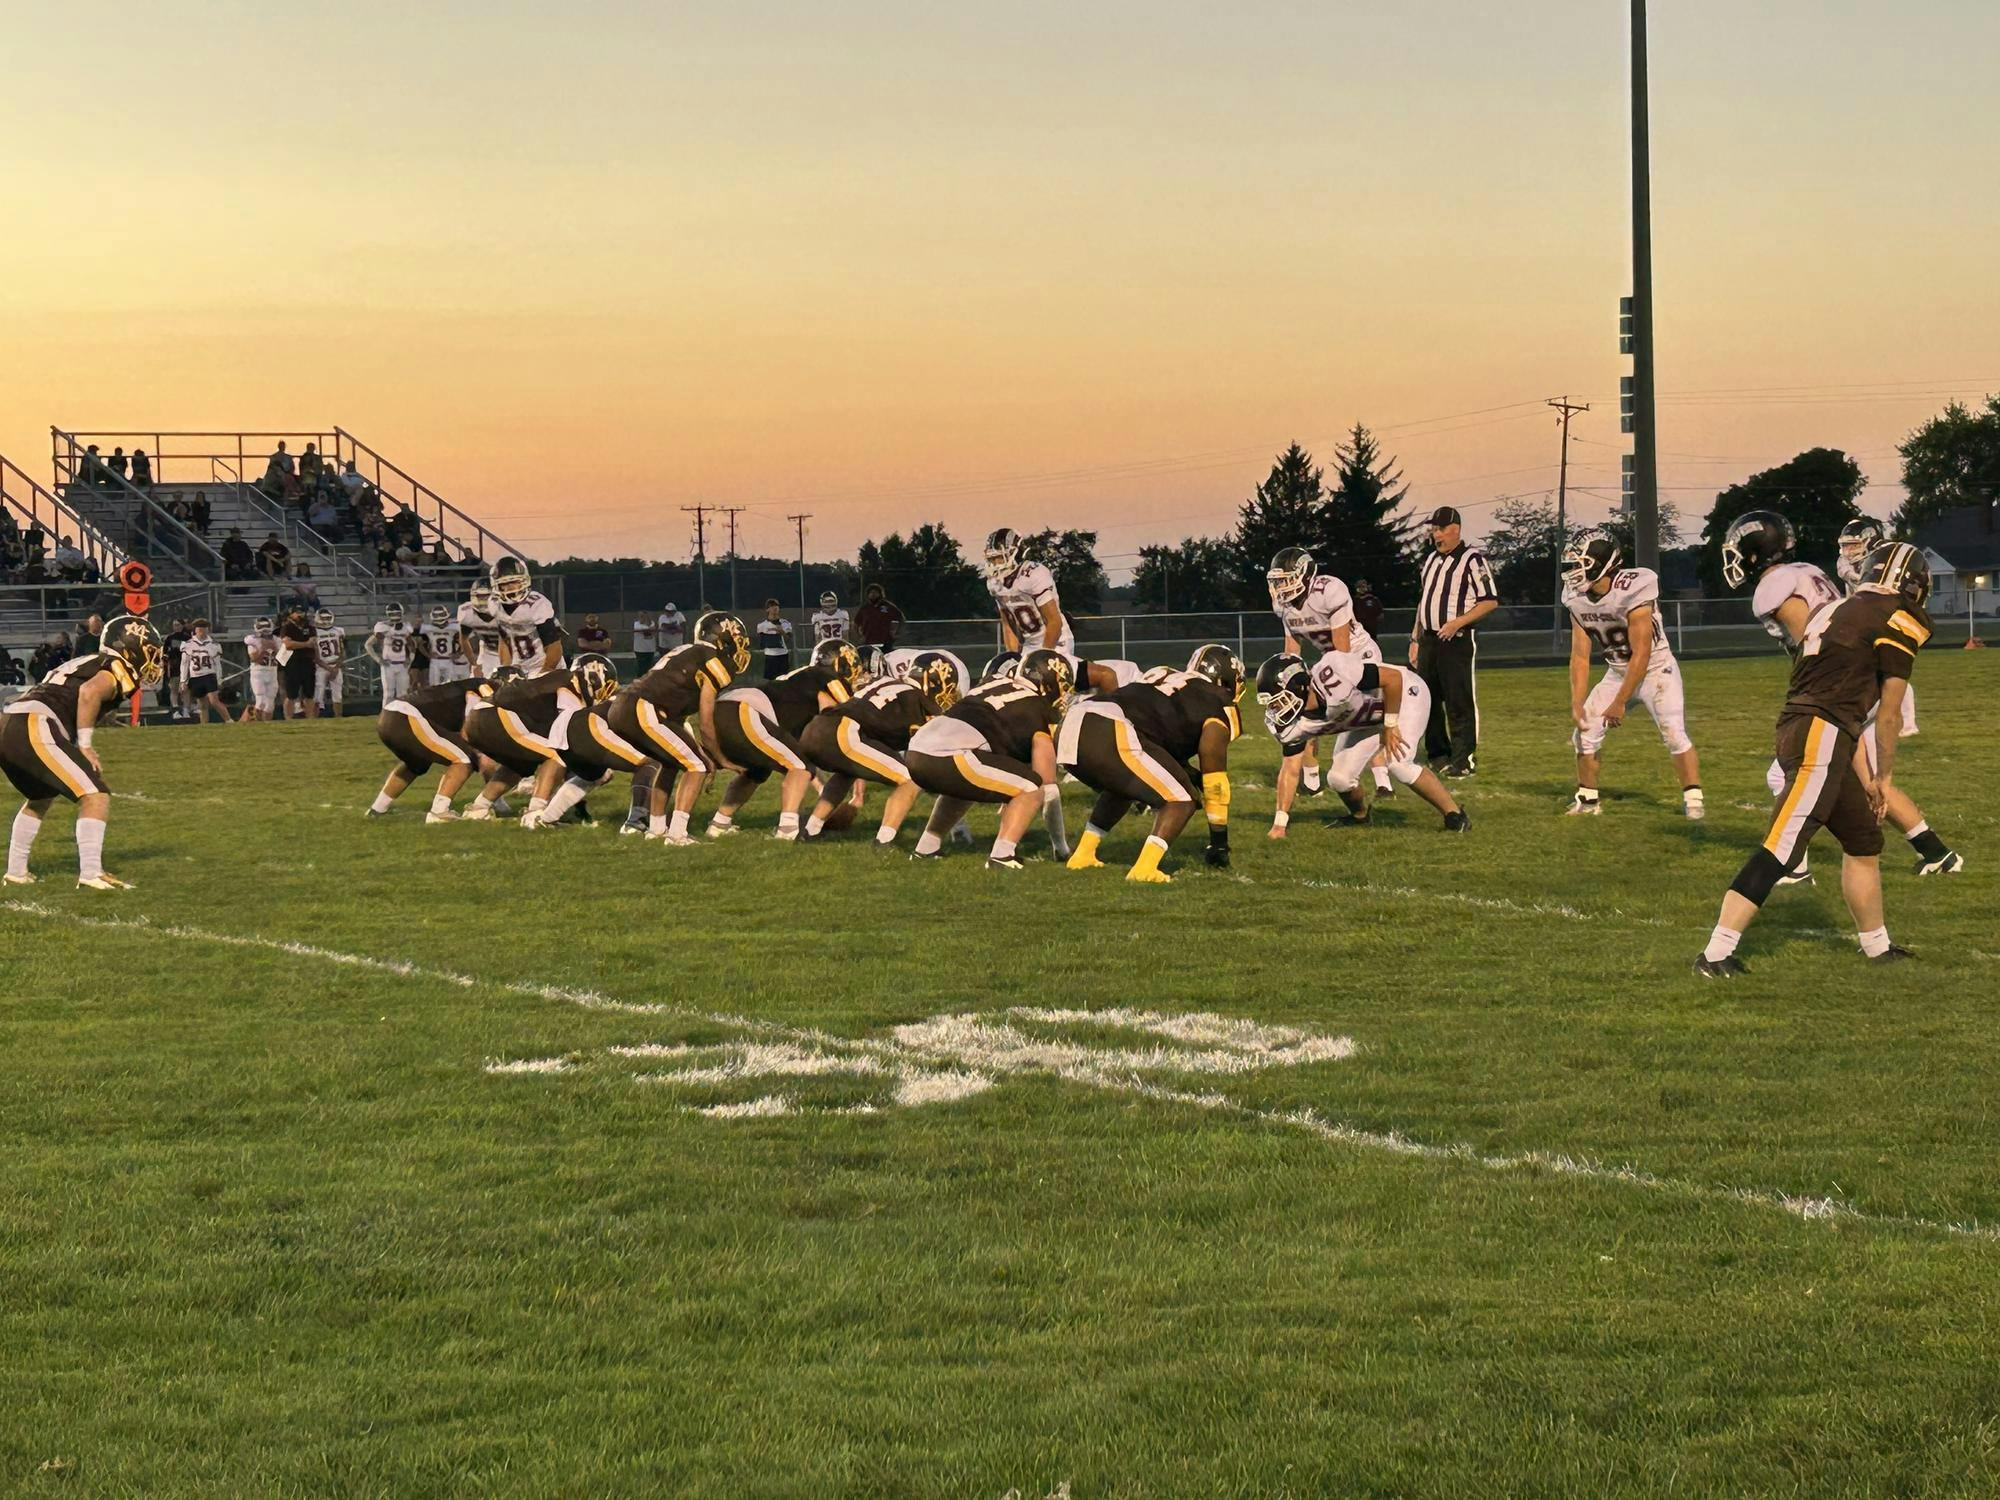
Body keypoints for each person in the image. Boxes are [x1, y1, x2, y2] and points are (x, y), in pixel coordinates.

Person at [1697, 543, 1935, 976]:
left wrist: (1864, 775)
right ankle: (1714, 954)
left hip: (1812, 726)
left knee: (1863, 840)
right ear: (1913, 584)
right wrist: (1884, 777)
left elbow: (1840, 697)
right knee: (1782, 846)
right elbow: (1888, 713)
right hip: (1820, 733)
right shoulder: (1898, 615)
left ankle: (1877, 946)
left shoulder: (1836, 609)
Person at [1726, 510, 1961, 880]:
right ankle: (1937, 852)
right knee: (1866, 779)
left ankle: (1792, 865)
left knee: (1786, 774)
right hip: (1863, 680)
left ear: (1756, 551)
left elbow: (1813, 643)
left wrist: (1812, 693)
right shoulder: (1805, 570)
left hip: (1846, 686)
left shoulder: (1774, 586)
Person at [2, 614, 164, 890]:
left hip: (11, 722)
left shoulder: (88, 661)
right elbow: (89, 693)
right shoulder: (114, 667)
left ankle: (16, 872)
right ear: (130, 647)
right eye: (150, 652)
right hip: (34, 723)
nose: (154, 660)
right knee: (95, 795)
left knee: (40, 796)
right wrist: (86, 747)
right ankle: (91, 873)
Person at [1058, 646, 1243, 884]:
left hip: (1074, 722)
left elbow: (1156, 730)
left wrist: (1189, 773)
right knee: (1182, 799)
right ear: (1227, 679)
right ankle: (1145, 868)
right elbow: (1212, 763)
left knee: (1124, 787)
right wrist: (1219, 843)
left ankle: (1083, 854)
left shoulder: (1164, 674)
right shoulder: (1220, 701)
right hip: (1110, 727)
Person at [1560, 530, 1702, 819]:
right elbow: (1580, 656)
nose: (1574, 570)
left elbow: (1642, 653)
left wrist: (1620, 702)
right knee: (1585, 732)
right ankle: (1587, 801)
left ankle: (1694, 800)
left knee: (1674, 732)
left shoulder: (1635, 587)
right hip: (1617, 671)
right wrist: (1576, 701)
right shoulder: (1576, 598)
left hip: (1656, 670)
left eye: (1581, 563)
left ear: (1602, 563)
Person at [1255, 648, 1468, 836]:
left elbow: (1393, 679)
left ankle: (1455, 815)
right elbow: (1290, 769)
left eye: (1279, 700)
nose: (1276, 709)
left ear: (1299, 686)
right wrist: (1279, 825)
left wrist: (1390, 724)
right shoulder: (1293, 726)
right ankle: (1360, 816)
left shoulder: (1333, 673)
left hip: (1404, 695)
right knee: (1339, 779)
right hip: (1365, 718)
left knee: (1399, 763)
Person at [906, 648, 1075, 869]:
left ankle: (926, 849)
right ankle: (1002, 856)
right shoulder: (1038, 707)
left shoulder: (993, 683)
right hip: (951, 754)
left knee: (964, 788)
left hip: (917, 751)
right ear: (1051, 683)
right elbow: (1048, 786)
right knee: (1031, 787)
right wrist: (1061, 847)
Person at [609, 611, 748, 844]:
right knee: (696, 766)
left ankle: (656, 829)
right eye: (736, 639)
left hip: (624, 707)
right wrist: (719, 758)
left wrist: (701, 751)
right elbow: (706, 721)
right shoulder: (713, 659)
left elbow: (678, 716)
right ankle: (677, 834)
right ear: (723, 638)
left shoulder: (688, 651)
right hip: (643, 708)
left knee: (672, 762)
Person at [799, 650, 958, 845]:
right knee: (910, 779)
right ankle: (884, 841)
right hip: (844, 732)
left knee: (846, 773)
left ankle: (810, 830)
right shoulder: (918, 699)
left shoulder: (886, 682)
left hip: (816, 727)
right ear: (932, 681)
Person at [1268, 545, 1390, 797]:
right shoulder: (1285, 606)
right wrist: (1291, 683)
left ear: (1304, 574)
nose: (1281, 587)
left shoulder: (1328, 591)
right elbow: (1292, 650)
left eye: (1286, 580)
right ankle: (1312, 783)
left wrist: (1325, 681)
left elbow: (1342, 648)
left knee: (1367, 718)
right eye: (1278, 582)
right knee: (1304, 712)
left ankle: (1383, 782)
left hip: (1360, 656)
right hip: (1330, 660)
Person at [705, 643, 858, 840]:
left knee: (757, 770)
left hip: (726, 707)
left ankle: (719, 824)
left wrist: (822, 789)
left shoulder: (798, 681)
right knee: (800, 766)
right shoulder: (824, 676)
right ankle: (787, 830)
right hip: (745, 710)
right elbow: (845, 709)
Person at [1409, 506, 1498, 777]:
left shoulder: (1472, 560)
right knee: (1428, 700)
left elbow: (1489, 601)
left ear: (1455, 529)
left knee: (1459, 701)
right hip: (1429, 640)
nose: (1436, 535)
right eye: (1433, 529)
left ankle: (1463, 759)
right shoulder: (1431, 560)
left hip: (1456, 640)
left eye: (1440, 529)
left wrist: (1457, 622)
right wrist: (1415, 638)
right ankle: (1438, 754)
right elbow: (1424, 601)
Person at [981, 527, 1118, 694]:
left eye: (999, 558)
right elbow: (1008, 625)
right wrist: (1012, 657)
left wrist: (1042, 659)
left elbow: (1054, 621)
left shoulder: (1034, 574)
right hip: (1029, 646)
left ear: (1017, 553)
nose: (995, 564)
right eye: (992, 559)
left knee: (1092, 679)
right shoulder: (994, 583)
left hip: (1056, 644)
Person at [367, 675, 498, 822]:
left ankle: (378, 808)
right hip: (405, 716)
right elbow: (471, 714)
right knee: (464, 758)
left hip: (390, 716)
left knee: (417, 763)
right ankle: (439, 812)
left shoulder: (471, 685)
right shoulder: (484, 687)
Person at [488, 556, 563, 675]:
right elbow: (504, 641)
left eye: (514, 582)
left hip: (545, 666)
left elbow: (554, 647)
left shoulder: (537, 604)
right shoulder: (495, 604)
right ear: (497, 586)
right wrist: (507, 669)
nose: (510, 588)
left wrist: (544, 673)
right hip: (519, 668)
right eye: (505, 583)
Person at [179, 618, 229, 724]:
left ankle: (228, 720)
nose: (201, 632)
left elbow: (217, 664)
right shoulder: (188, 644)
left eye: (204, 629)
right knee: (202, 705)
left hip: (209, 675)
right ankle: (204, 725)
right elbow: (184, 663)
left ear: (207, 630)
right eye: (199, 629)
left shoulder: (214, 645)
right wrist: (183, 680)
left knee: (214, 701)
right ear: (195, 630)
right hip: (195, 676)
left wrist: (219, 679)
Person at [367, 603, 416, 703]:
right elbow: (368, 644)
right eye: (393, 613)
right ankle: (387, 713)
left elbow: (413, 645)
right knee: (388, 694)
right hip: (388, 664)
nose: (395, 616)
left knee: (403, 695)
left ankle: (401, 713)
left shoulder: (406, 627)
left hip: (402, 664)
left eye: (397, 613)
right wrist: (378, 659)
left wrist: (410, 659)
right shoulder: (383, 627)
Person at [457, 579, 504, 677]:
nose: (483, 600)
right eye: (479, 596)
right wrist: (474, 664)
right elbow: (463, 640)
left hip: (513, 653)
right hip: (488, 654)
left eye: (486, 596)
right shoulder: (467, 612)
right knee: (478, 682)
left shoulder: (505, 609)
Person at [275, 606, 317, 719]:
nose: (300, 615)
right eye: (297, 612)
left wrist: (297, 644)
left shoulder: (310, 627)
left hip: (307, 661)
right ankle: (288, 718)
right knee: (291, 694)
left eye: (302, 612)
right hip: (292, 662)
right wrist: (305, 644)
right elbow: (288, 645)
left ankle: (310, 717)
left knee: (309, 694)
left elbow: (313, 642)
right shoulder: (287, 627)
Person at [242, 617, 280, 721]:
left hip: (272, 671)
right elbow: (254, 659)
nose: (264, 630)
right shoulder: (252, 640)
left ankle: (267, 725)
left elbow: (284, 660)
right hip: (258, 671)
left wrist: (275, 649)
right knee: (261, 701)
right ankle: (258, 723)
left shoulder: (277, 640)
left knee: (270, 703)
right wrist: (263, 649)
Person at [312, 609, 347, 716]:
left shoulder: (339, 631)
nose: (326, 620)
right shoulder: (313, 632)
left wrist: (336, 667)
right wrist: (330, 669)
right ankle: (313, 719)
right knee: (317, 696)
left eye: (328, 618)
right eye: (324, 618)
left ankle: (338, 718)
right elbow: (314, 654)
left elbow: (342, 651)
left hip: (335, 664)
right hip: (320, 666)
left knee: (338, 695)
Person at [420, 605, 466, 685]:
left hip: (448, 660)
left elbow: (463, 642)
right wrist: (428, 655)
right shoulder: (428, 629)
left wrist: (458, 653)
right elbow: (420, 644)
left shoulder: (454, 628)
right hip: (436, 660)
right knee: (435, 686)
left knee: (449, 686)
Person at [856, 582, 904, 655]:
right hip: (869, 643)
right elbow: (856, 623)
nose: (873, 594)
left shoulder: (888, 606)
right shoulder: (864, 608)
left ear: (880, 594)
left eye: (875, 592)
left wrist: (896, 633)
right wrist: (859, 637)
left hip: (886, 643)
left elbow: (901, 618)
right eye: (871, 592)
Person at [754, 599, 793, 680]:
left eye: (776, 606)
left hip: (782, 655)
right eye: (771, 606)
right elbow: (760, 641)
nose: (775, 608)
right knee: (771, 681)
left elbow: (789, 639)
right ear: (767, 609)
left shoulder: (785, 623)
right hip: (769, 656)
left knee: (783, 681)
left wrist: (781, 631)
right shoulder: (762, 625)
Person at [162, 618, 192, 720]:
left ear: (182, 626)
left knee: (185, 689)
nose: (176, 627)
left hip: (185, 665)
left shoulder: (188, 638)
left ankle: (186, 710)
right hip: (174, 666)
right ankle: (175, 710)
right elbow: (164, 652)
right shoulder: (169, 638)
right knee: (174, 688)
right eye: (174, 625)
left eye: (178, 625)